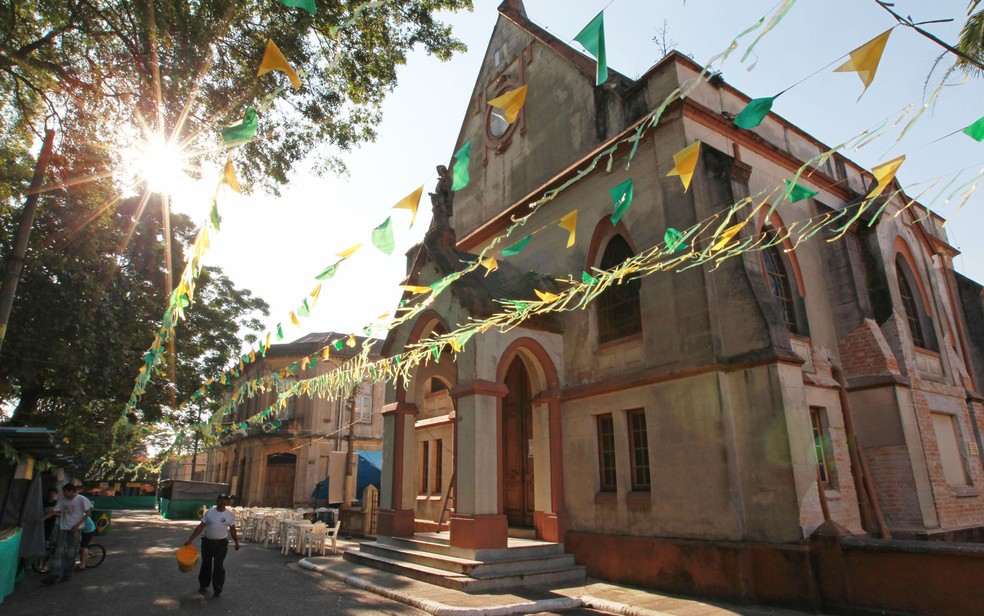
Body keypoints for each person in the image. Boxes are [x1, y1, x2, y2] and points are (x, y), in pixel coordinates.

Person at [184, 493, 240, 597]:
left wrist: (236, 542)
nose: (223, 502)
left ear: (227, 502)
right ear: (217, 501)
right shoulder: (209, 513)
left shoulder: (229, 515)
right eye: (221, 500)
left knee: (219, 565)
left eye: (225, 500)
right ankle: (204, 584)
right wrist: (190, 539)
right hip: (207, 542)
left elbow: (232, 529)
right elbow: (201, 527)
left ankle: (218, 586)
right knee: (206, 564)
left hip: (221, 544)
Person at [41, 483, 92, 584]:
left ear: (72, 491)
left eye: (66, 492)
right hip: (63, 528)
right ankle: (54, 574)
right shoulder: (62, 500)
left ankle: (67, 573)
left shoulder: (82, 499)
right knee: (58, 551)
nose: (64, 494)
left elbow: (88, 513)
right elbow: (55, 511)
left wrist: (78, 525)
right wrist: (43, 519)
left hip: (75, 529)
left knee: (71, 553)